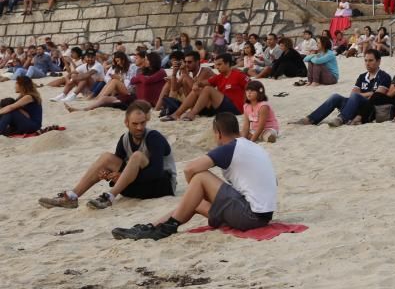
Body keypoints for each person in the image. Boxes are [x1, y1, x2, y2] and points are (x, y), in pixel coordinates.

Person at [112, 112, 277, 240]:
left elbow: (190, 169)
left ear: (218, 133)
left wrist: (198, 189)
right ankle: (152, 226)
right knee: (194, 203)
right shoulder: (252, 147)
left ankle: (169, 226)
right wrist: (199, 195)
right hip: (261, 215)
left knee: (200, 177)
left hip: (250, 217)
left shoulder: (230, 148)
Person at [38, 101, 176, 210]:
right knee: (106, 158)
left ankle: (110, 197)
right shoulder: (124, 139)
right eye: (135, 124)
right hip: (136, 188)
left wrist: (120, 176)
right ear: (126, 123)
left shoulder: (154, 137)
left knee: (137, 156)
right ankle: (72, 197)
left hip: (162, 186)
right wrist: (108, 175)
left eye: (142, 123)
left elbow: (156, 173)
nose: (139, 127)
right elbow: (119, 173)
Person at [295, 49, 392, 127]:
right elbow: (353, 94)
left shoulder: (384, 76)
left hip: (368, 108)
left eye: (371, 60)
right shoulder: (362, 76)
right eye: (365, 60)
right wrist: (368, 93)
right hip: (353, 104)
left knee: (356, 97)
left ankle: (341, 118)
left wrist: (360, 95)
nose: (367, 63)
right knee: (335, 97)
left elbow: (378, 95)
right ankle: (310, 119)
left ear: (378, 61)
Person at [163, 53, 247, 121]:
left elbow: (252, 87)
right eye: (216, 65)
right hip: (221, 107)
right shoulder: (219, 77)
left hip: (236, 108)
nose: (217, 67)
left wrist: (247, 105)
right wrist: (197, 84)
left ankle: (192, 114)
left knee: (207, 89)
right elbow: (203, 83)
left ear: (228, 64)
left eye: (219, 64)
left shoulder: (238, 75)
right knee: (198, 90)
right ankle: (176, 114)